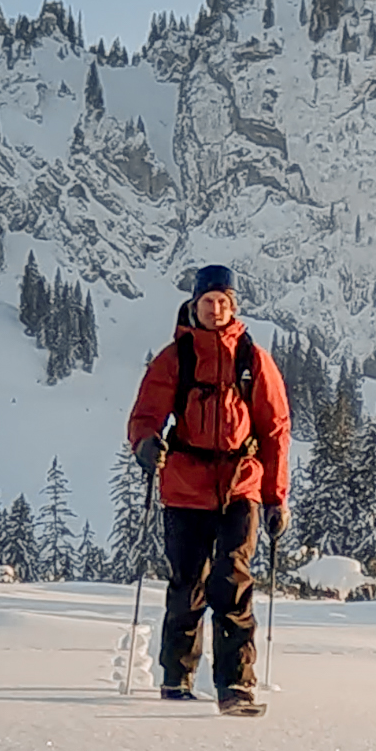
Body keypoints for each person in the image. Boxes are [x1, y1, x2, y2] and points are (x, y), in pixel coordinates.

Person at [125, 264, 291, 716]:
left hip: (241, 487)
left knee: (233, 583)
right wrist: (145, 443)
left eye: (223, 301)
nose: (215, 309)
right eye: (208, 301)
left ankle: (236, 685)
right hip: (183, 487)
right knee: (186, 587)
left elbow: (275, 430)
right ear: (194, 305)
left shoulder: (253, 360)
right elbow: (146, 413)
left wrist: (276, 498)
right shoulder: (175, 357)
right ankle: (176, 680)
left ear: (233, 306)